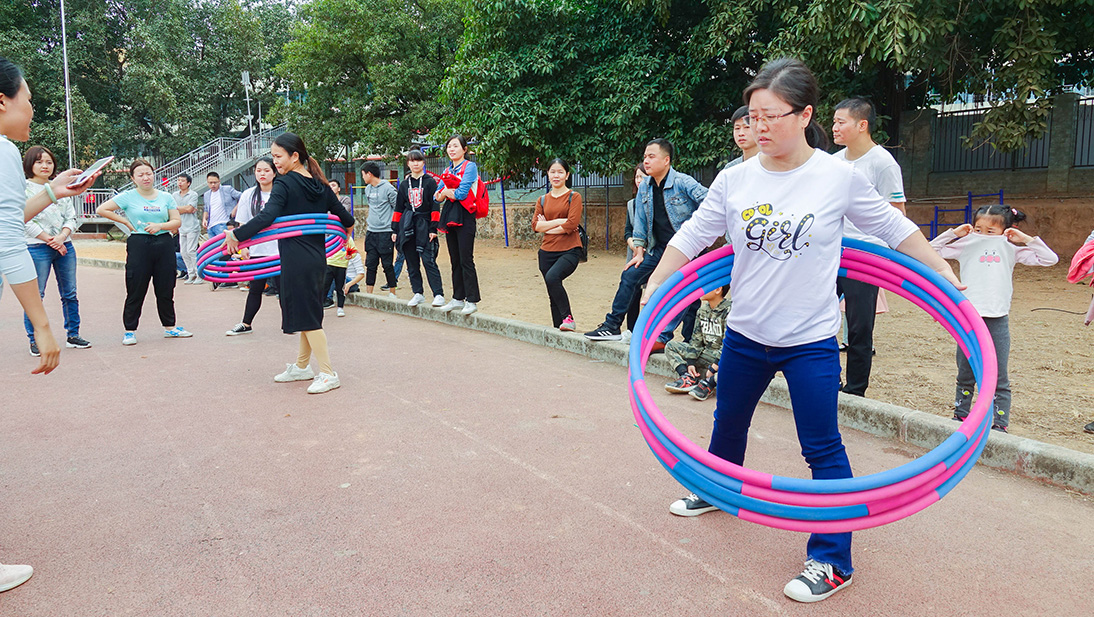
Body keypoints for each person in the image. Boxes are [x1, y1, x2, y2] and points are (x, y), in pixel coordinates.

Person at [645, 57, 963, 603]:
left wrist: (940, 270)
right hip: (746, 332)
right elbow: (694, 234)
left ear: (805, 114)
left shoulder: (837, 177)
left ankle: (833, 559)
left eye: (771, 115)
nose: (759, 126)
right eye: (753, 115)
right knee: (728, 422)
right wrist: (656, 282)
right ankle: (719, 489)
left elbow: (891, 226)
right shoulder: (735, 178)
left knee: (822, 447)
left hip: (810, 340)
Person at [0, 55, 98, 593]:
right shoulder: (1, 148)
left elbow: (8, 219)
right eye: (28, 99)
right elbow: (7, 241)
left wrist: (51, 193)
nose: (32, 109)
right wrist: (41, 322)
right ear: (2, 100)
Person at [225, 132, 355, 394]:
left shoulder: (284, 184)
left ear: (295, 156)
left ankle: (328, 373)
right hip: (317, 258)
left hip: (296, 260)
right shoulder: (320, 185)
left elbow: (267, 217)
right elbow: (346, 220)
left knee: (309, 318)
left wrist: (236, 236)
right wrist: (345, 238)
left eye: (278, 157)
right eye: (273, 157)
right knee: (307, 312)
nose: (275, 163)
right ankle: (302, 366)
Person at [929, 206, 1058, 432]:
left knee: (998, 372)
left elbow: (1050, 259)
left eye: (991, 230)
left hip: (997, 317)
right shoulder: (966, 243)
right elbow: (931, 250)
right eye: (979, 228)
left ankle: (1000, 423)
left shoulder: (1010, 248)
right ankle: (961, 415)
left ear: (1006, 230)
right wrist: (953, 234)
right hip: (967, 317)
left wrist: (1026, 239)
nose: (983, 234)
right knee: (966, 369)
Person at [585, 138, 708, 345]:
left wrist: (697, 231)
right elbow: (640, 223)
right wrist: (639, 252)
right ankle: (612, 325)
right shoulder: (645, 187)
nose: (646, 161)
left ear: (666, 160)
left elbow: (710, 201)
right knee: (630, 275)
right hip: (659, 249)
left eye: (651, 156)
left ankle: (689, 342)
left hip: (687, 250)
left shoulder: (683, 182)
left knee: (689, 295)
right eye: (645, 157)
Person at [831, 97, 908, 397]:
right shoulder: (834, 163)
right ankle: (827, 379)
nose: (834, 127)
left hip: (866, 256)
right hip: (833, 251)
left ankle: (855, 391)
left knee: (859, 327)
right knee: (818, 319)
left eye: (841, 122)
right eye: (834, 121)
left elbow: (897, 213)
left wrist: (891, 254)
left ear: (862, 125)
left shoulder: (882, 162)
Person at [97, 160, 193, 345]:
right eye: (140, 175)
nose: (145, 177)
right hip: (139, 243)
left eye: (148, 173)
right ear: (133, 178)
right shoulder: (128, 196)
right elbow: (102, 209)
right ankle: (130, 330)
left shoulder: (166, 197)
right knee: (136, 287)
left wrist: (160, 226)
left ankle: (170, 327)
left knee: (166, 287)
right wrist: (125, 222)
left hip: (164, 243)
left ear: (154, 174)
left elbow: (176, 221)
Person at [22, 145, 91, 355]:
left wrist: (61, 237)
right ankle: (35, 340)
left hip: (65, 246)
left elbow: (71, 216)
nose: (45, 165)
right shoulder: (23, 189)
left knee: (70, 293)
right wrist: (48, 239)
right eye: (39, 161)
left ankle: (73, 334)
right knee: (36, 295)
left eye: (49, 162)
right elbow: (23, 218)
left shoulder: (60, 187)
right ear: (30, 164)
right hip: (36, 247)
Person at [226, 158, 280, 336]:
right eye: (258, 170)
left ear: (274, 172)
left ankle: (291, 322)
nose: (262, 174)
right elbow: (243, 223)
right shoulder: (248, 195)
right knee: (255, 289)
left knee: (285, 290)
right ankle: (246, 323)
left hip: (280, 249)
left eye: (266, 170)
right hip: (257, 249)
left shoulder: (281, 192)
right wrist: (244, 247)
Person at [532, 158, 583, 330]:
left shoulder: (574, 197)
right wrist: (560, 221)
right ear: (548, 174)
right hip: (546, 252)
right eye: (553, 171)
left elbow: (571, 225)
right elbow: (535, 226)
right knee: (552, 293)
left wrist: (548, 226)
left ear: (567, 175)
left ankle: (568, 318)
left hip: (569, 250)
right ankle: (558, 329)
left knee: (553, 277)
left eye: (560, 172)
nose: (556, 175)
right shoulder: (542, 200)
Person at [435, 135, 482, 315]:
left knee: (466, 259)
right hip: (450, 216)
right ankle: (457, 298)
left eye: (455, 146)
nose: (452, 149)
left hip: (465, 215)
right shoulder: (447, 169)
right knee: (454, 259)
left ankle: (472, 300)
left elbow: (461, 194)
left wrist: (445, 192)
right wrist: (445, 193)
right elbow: (436, 195)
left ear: (464, 149)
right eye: (449, 146)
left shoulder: (469, 167)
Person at [392, 149, 444, 307]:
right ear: (408, 163)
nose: (415, 163)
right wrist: (395, 230)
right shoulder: (404, 184)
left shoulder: (430, 182)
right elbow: (399, 208)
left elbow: (435, 206)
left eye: (418, 160)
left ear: (423, 162)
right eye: (412, 161)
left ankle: (438, 294)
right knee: (411, 261)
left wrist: (433, 229)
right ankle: (418, 292)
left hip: (425, 223)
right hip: (407, 224)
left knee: (428, 260)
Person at [662, 284, 731, 402]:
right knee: (671, 346)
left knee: (734, 364)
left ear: (718, 289)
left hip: (723, 358)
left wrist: (714, 367)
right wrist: (691, 363)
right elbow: (696, 340)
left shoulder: (729, 311)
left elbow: (728, 344)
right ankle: (688, 378)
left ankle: (710, 383)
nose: (702, 289)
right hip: (706, 354)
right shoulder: (702, 310)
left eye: (707, 285)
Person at [360, 162, 398, 296]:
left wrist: (395, 230)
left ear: (369, 174)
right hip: (371, 232)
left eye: (363, 174)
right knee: (370, 264)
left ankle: (392, 294)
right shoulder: (367, 189)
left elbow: (397, 209)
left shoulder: (389, 189)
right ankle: (369, 295)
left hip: (386, 232)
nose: (363, 177)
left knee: (387, 265)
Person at [621, 164, 648, 339]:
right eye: (637, 177)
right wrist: (634, 245)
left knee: (652, 293)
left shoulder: (656, 202)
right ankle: (632, 331)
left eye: (642, 177)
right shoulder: (631, 204)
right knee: (632, 290)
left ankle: (650, 333)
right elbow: (627, 231)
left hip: (653, 254)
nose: (639, 181)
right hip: (635, 254)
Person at [202, 171, 241, 289]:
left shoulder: (227, 189)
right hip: (211, 226)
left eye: (215, 182)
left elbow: (243, 196)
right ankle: (222, 278)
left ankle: (224, 278)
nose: (213, 185)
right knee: (216, 252)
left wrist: (234, 210)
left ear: (219, 181)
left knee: (224, 252)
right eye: (210, 183)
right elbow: (206, 208)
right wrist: (204, 219)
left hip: (224, 224)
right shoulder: (207, 194)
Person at [173, 173, 202, 284]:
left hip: (192, 227)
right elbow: (172, 209)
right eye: (178, 180)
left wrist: (179, 209)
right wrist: (183, 209)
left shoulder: (193, 194)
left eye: (182, 181)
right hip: (181, 227)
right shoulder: (174, 195)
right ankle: (191, 274)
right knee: (184, 252)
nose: (180, 182)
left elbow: (190, 209)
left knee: (191, 251)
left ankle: (199, 274)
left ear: (188, 183)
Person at [322, 234, 357, 317]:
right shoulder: (329, 237)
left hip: (342, 265)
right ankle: (320, 306)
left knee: (340, 287)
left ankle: (340, 307)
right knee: (324, 286)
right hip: (329, 264)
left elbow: (353, 250)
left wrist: (349, 255)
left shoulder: (347, 238)